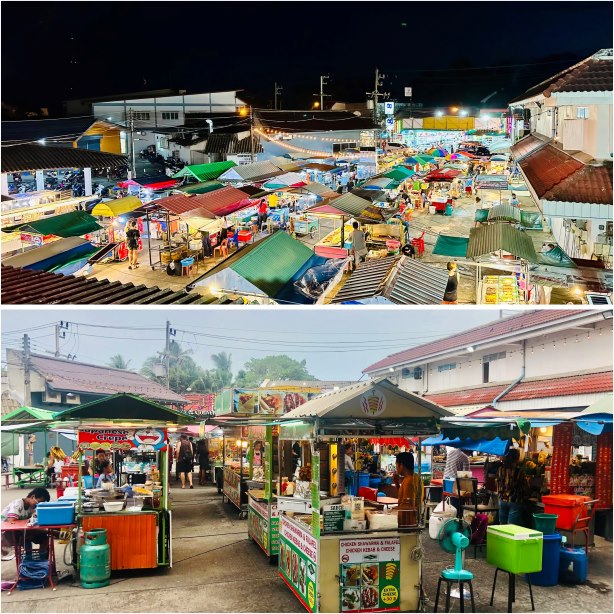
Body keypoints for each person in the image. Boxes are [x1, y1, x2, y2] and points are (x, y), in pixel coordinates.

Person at [1, 488, 51, 561]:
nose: (38, 505)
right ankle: (28, 562)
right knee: (27, 540)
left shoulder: (32, 507)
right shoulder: (18, 504)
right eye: (38, 502)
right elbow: (11, 522)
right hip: (6, 533)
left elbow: (33, 521)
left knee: (44, 538)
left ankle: (42, 562)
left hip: (20, 531)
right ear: (33, 497)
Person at [496, 448, 528, 525]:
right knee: (511, 526)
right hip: (515, 500)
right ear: (516, 459)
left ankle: (501, 537)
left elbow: (497, 482)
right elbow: (525, 487)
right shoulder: (519, 472)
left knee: (502, 524)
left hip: (502, 499)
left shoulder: (500, 469)